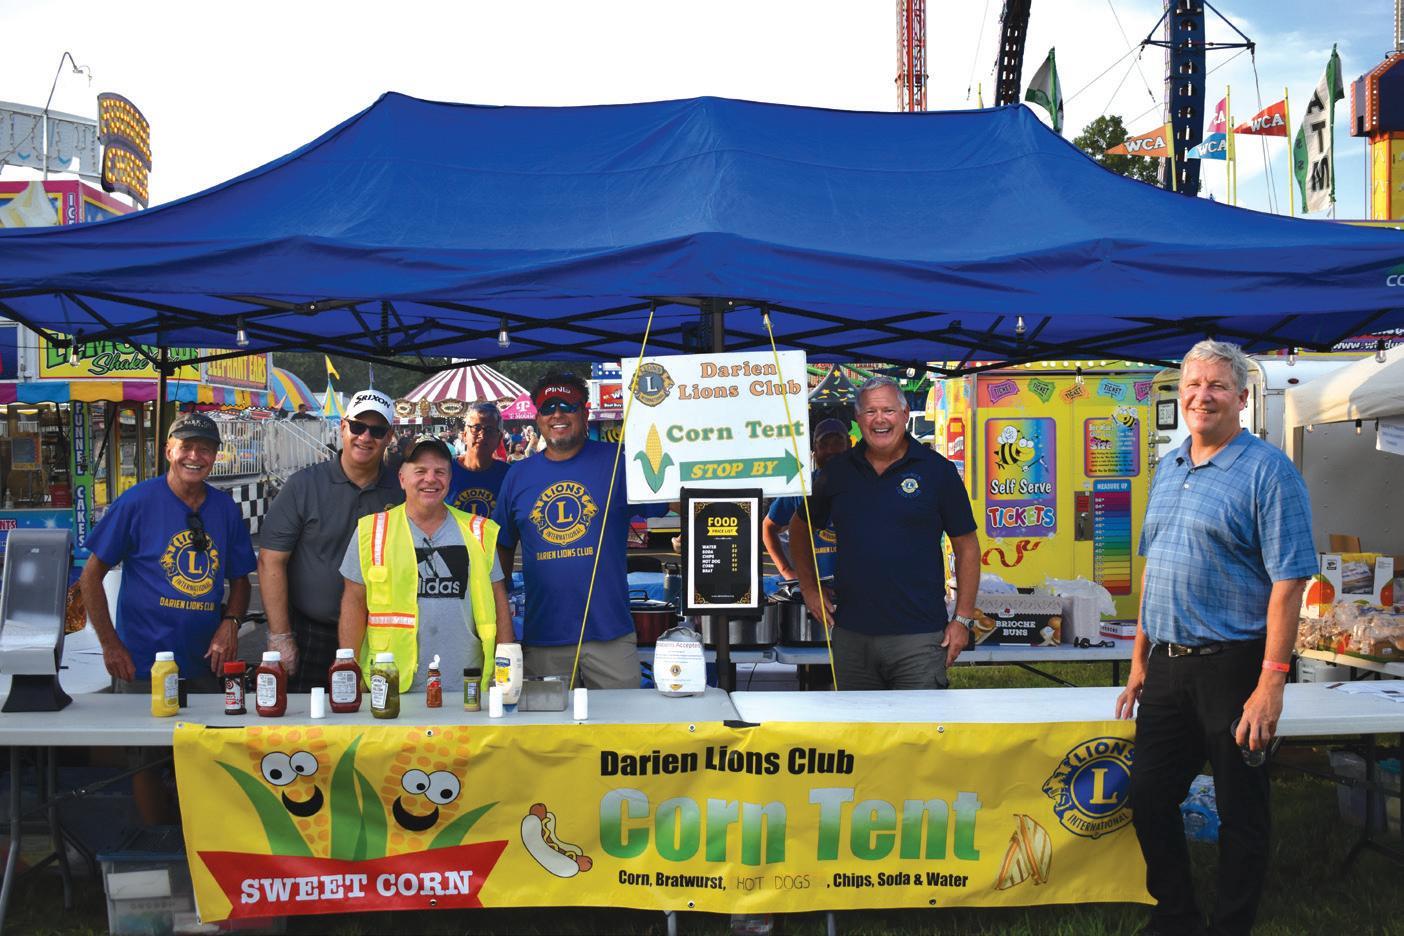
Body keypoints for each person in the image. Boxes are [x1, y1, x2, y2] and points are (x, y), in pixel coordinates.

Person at [1115, 340, 1315, 936]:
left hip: (1234, 666)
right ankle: (1176, 916)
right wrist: (1139, 661)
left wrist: (1271, 684)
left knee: (1240, 807)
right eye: (1193, 385)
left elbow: (1289, 582)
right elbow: (1154, 569)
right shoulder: (1169, 467)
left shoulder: (1269, 471)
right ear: (1181, 394)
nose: (1203, 396)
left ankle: (1231, 926)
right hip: (1167, 666)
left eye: (1217, 386)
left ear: (1242, 398)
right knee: (1149, 795)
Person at [80, 412, 255, 822]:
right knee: (144, 759)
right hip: (143, 661)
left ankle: (205, 837)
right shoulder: (137, 502)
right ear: (168, 451)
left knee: (210, 754)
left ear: (215, 456)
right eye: (186, 447)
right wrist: (110, 644)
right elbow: (90, 578)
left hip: (203, 662)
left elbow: (241, 580)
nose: (195, 456)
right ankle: (155, 839)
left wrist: (230, 624)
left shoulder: (224, 509)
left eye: (205, 449)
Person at [791, 376, 979, 690]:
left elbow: (967, 547)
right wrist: (809, 588)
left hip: (919, 638)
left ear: (905, 415)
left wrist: (962, 619)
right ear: (858, 419)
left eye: (888, 410)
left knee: (918, 723)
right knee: (856, 723)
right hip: (852, 637)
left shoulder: (937, 471)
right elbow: (799, 528)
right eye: (870, 411)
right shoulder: (836, 473)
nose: (880, 419)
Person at [493, 372, 663, 688]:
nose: (557, 414)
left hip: (610, 634)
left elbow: (673, 499)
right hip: (544, 637)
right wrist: (502, 609)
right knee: (545, 721)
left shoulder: (619, 462)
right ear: (538, 418)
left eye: (567, 405)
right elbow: (501, 544)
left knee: (624, 719)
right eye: (548, 407)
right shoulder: (518, 476)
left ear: (585, 413)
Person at [339, 436, 513, 695]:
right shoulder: (371, 532)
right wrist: (349, 671)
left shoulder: (478, 531)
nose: (430, 479)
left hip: (467, 683)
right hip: (390, 684)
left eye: (439, 472)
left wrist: (506, 673)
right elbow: (353, 602)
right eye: (420, 471)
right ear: (402, 478)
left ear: (450, 479)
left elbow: (499, 601)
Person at [258, 389, 404, 692]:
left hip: (382, 634)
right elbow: (271, 560)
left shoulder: (402, 490)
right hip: (313, 633)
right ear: (343, 427)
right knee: (305, 720)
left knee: (378, 717)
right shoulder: (303, 485)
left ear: (389, 437)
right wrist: (280, 636)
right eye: (358, 427)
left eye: (377, 431)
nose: (365, 437)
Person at [761, 417, 851, 581]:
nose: (831, 450)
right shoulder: (803, 487)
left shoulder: (864, 484)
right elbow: (768, 527)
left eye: (837, 442)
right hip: (814, 590)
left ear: (849, 446)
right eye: (823, 444)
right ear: (814, 451)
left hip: (857, 589)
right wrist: (786, 570)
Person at [447, 402, 510, 517]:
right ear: (465, 435)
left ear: (499, 438)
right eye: (476, 428)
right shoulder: (445, 472)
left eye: (490, 430)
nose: (482, 435)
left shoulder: (509, 476)